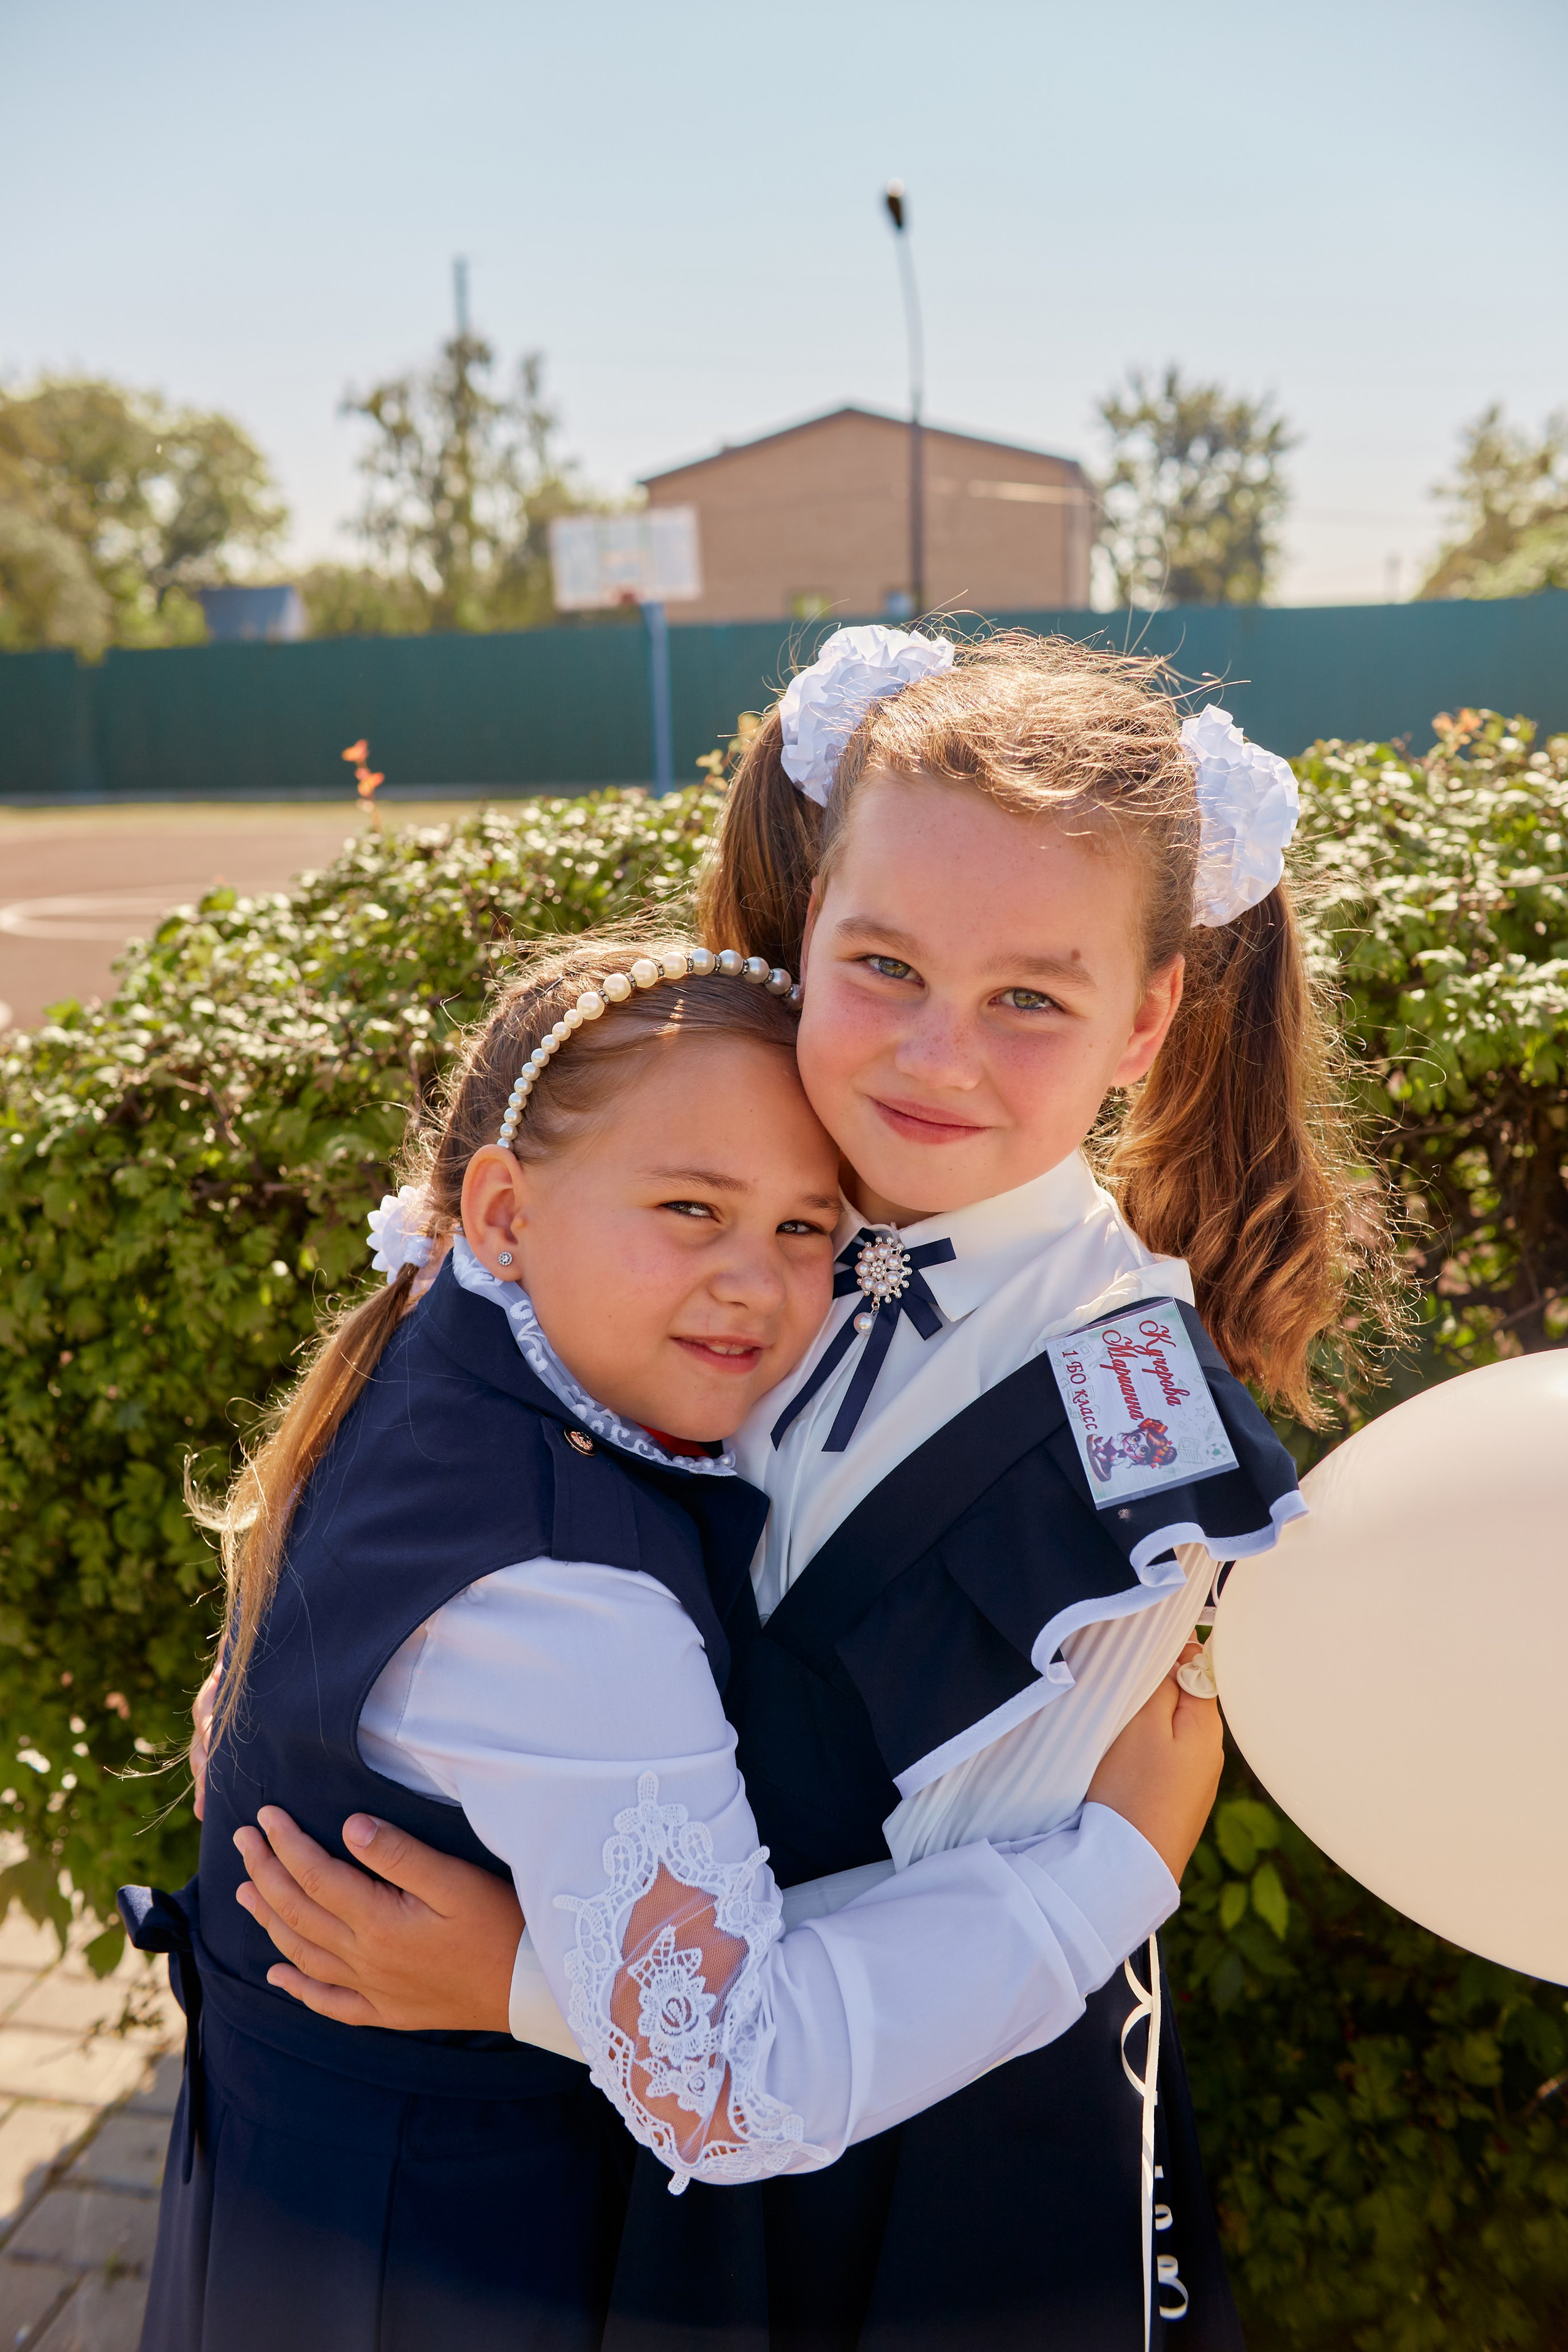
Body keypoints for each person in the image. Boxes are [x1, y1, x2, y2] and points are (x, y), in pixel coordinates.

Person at [230, 633, 1383, 2348]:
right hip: (653, 2152)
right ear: (808, 932)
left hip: (904, 2181)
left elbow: (964, 1911)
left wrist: (524, 1982)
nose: (935, 1055)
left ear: (1144, 1023)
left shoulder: (1132, 1439)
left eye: (1031, 999)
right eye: (885, 966)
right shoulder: (741, 1190)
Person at [134, 922, 1221, 2352]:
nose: (755, 1285)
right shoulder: (562, 1601)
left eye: (804, 1229)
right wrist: (1115, 1865)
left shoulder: (466, 1347)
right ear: (503, 1211)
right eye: (690, 1209)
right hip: (443, 2259)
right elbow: (725, 2077)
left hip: (309, 2194)